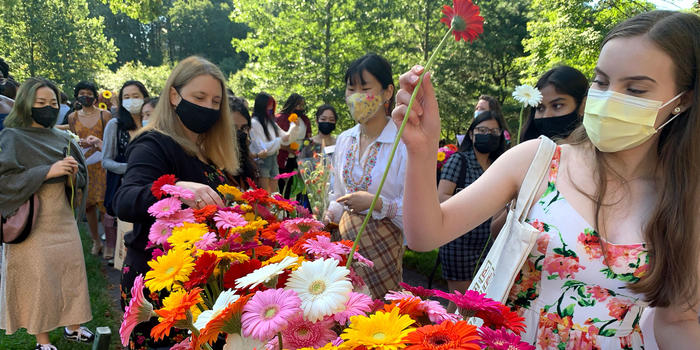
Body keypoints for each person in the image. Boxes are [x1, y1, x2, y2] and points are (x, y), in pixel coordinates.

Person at [394, 10, 700, 349]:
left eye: (636, 89)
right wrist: (422, 151)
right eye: (601, 81)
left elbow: (678, 319)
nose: (609, 97)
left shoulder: (685, 199)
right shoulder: (537, 161)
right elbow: (425, 235)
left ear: (682, 100)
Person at [113, 56, 239, 349]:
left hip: (199, 282)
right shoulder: (153, 143)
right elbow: (124, 200)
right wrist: (176, 189)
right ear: (174, 95)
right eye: (199, 97)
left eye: (215, 101)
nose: (208, 106)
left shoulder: (205, 149)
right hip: (163, 286)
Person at [0, 77, 94, 350]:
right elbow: (4, 181)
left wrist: (72, 175)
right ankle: (42, 340)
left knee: (71, 270)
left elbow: (80, 180)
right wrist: (46, 172)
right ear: (26, 104)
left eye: (53, 102)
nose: (48, 108)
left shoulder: (62, 137)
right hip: (30, 219)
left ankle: (73, 327)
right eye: (41, 102)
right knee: (40, 278)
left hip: (62, 215)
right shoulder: (12, 137)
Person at [325, 53, 406, 299]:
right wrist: (328, 217)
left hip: (384, 250)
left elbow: (417, 209)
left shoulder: (402, 143)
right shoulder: (344, 140)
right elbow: (337, 194)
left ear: (388, 92)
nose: (356, 96)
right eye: (351, 88)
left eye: (365, 88)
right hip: (345, 246)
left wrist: (377, 204)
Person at [436, 110, 509, 312]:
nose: (488, 135)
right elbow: (441, 198)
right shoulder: (459, 161)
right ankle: (445, 340)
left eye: (494, 132)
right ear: (471, 134)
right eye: (483, 130)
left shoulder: (498, 166)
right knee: (460, 303)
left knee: (478, 301)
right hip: (459, 242)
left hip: (486, 244)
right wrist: (479, 206)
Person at [102, 81, 150, 264]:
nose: (131, 101)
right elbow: (106, 160)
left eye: (136, 96)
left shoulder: (153, 122)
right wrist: (131, 168)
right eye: (127, 97)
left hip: (151, 188)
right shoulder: (115, 125)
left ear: (145, 97)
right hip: (126, 188)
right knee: (128, 238)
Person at [66, 81, 112, 256]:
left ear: (95, 95)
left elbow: (111, 139)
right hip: (84, 165)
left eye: (89, 93)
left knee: (105, 205)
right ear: (77, 96)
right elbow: (72, 139)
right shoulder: (73, 117)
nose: (85, 96)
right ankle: (96, 241)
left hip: (103, 165)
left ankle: (110, 242)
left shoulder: (105, 115)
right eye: (81, 93)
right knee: (87, 205)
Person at [520, 65, 589, 142]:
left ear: (583, 105)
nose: (546, 116)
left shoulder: (600, 151)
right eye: (540, 108)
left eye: (557, 106)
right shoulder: (528, 151)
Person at [249, 92, 289, 193]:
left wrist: (295, 126)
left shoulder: (271, 122)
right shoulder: (254, 123)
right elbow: (260, 146)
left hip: (273, 158)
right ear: (262, 105)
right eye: (269, 105)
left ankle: (273, 208)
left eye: (272, 105)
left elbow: (285, 136)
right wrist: (279, 141)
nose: (271, 108)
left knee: (274, 192)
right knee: (265, 193)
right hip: (262, 160)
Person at [276, 93, 312, 197]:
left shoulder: (305, 119)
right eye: (298, 105)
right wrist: (287, 148)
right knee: (284, 185)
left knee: (303, 184)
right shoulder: (280, 118)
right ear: (291, 104)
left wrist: (304, 149)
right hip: (283, 156)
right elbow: (275, 139)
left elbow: (308, 137)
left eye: (302, 105)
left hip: (300, 155)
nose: (300, 108)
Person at [230, 95, 259, 187]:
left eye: (244, 128)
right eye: (232, 128)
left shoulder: (246, 163)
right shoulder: (211, 166)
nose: (240, 133)